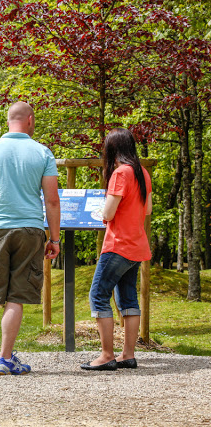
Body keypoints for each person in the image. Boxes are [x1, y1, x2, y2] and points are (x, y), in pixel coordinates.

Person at [0, 101, 61, 375]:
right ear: (30, 120)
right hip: (30, 230)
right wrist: (54, 239)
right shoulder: (43, 153)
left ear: (8, 120)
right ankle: (5, 358)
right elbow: (52, 201)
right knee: (16, 296)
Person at [81, 128, 152, 371]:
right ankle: (127, 355)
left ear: (112, 149)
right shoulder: (142, 172)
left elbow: (109, 212)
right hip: (137, 246)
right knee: (128, 298)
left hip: (118, 245)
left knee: (98, 295)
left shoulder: (120, 173)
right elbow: (148, 208)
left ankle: (106, 355)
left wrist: (100, 212)